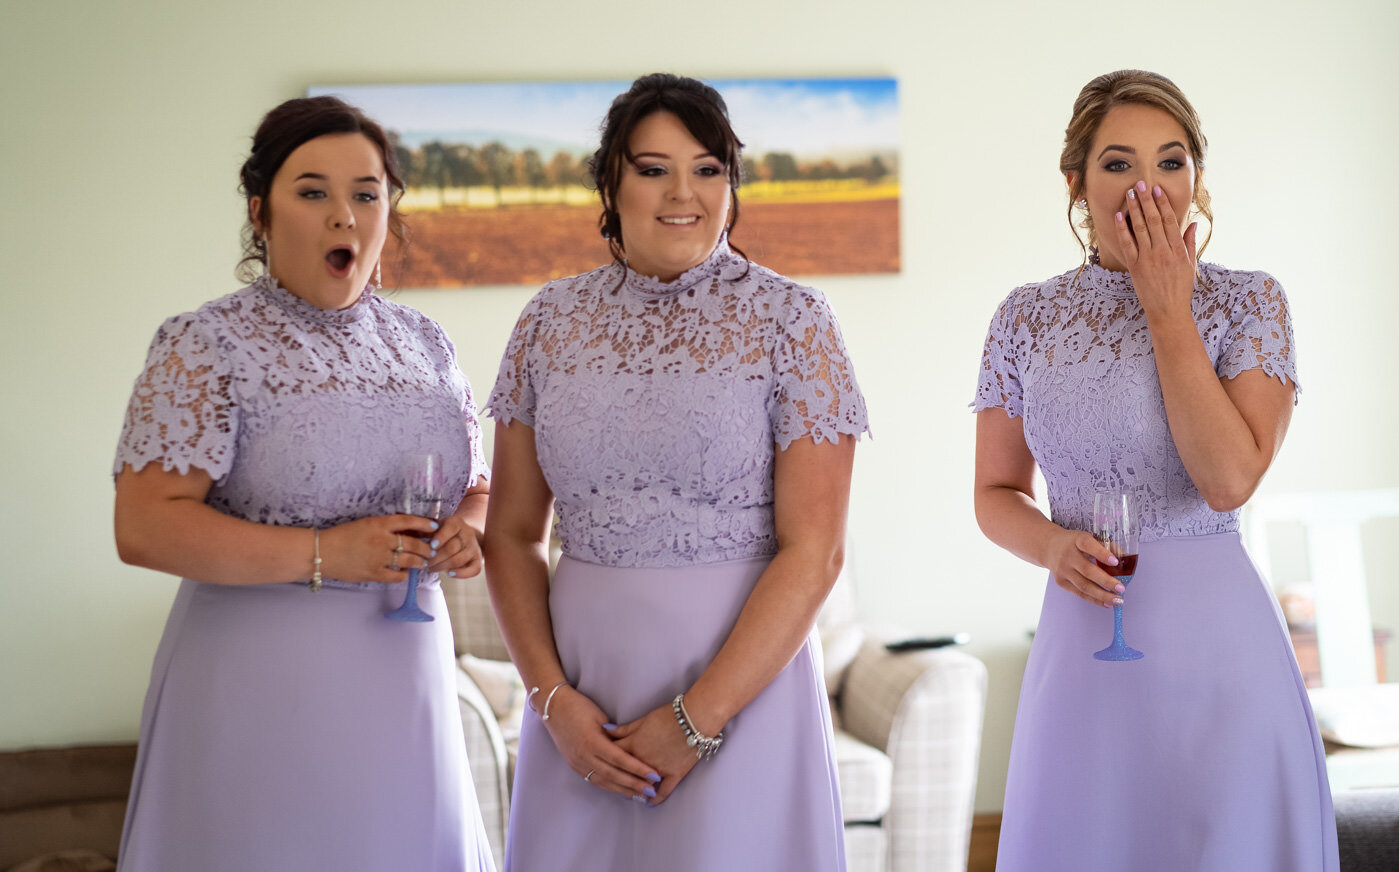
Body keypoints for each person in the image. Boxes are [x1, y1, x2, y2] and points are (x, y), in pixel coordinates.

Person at [483, 73, 868, 871]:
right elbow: (513, 535)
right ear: (611, 184)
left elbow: (817, 551)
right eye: (652, 169)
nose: (681, 193)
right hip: (584, 697)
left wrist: (698, 720)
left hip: (742, 690)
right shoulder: (547, 323)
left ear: (731, 183)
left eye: (707, 168)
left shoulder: (793, 322)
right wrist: (551, 701)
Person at [112, 96, 494, 871]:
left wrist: (473, 526)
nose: (344, 216)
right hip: (259, 680)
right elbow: (145, 526)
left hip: (407, 677)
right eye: (312, 191)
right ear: (260, 212)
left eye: (366, 193)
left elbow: (474, 484)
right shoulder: (206, 342)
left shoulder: (424, 342)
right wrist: (327, 553)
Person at [974, 70, 1338, 871]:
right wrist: (1049, 548)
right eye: (1118, 164)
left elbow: (1228, 480)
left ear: (1197, 179)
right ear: (1076, 182)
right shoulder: (1024, 316)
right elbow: (995, 494)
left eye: (1171, 163)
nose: (1149, 186)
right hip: (1081, 648)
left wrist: (1168, 308)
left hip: (1220, 659)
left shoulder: (1250, 304)